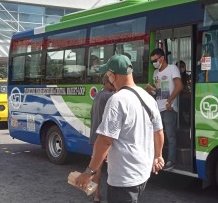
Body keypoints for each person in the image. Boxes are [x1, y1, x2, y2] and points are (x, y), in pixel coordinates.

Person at [76, 54, 164, 203]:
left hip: (124, 178)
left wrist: (89, 172)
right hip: (142, 174)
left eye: (109, 74)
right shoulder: (147, 97)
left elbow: (105, 140)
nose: (109, 78)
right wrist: (158, 156)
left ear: (112, 76)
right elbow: (158, 131)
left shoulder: (117, 100)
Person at [146, 48, 183, 171]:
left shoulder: (172, 68)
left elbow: (179, 86)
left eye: (155, 60)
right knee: (155, 134)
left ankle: (171, 160)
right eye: (152, 61)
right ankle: (156, 159)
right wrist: (151, 89)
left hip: (169, 109)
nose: (154, 63)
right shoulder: (155, 73)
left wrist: (169, 100)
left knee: (170, 136)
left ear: (162, 58)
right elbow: (158, 91)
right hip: (158, 108)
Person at [89, 74, 115, 202]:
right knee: (110, 169)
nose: (113, 85)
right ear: (106, 83)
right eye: (111, 83)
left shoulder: (98, 95)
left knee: (96, 168)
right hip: (103, 137)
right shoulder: (110, 96)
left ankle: (96, 195)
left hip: (95, 135)